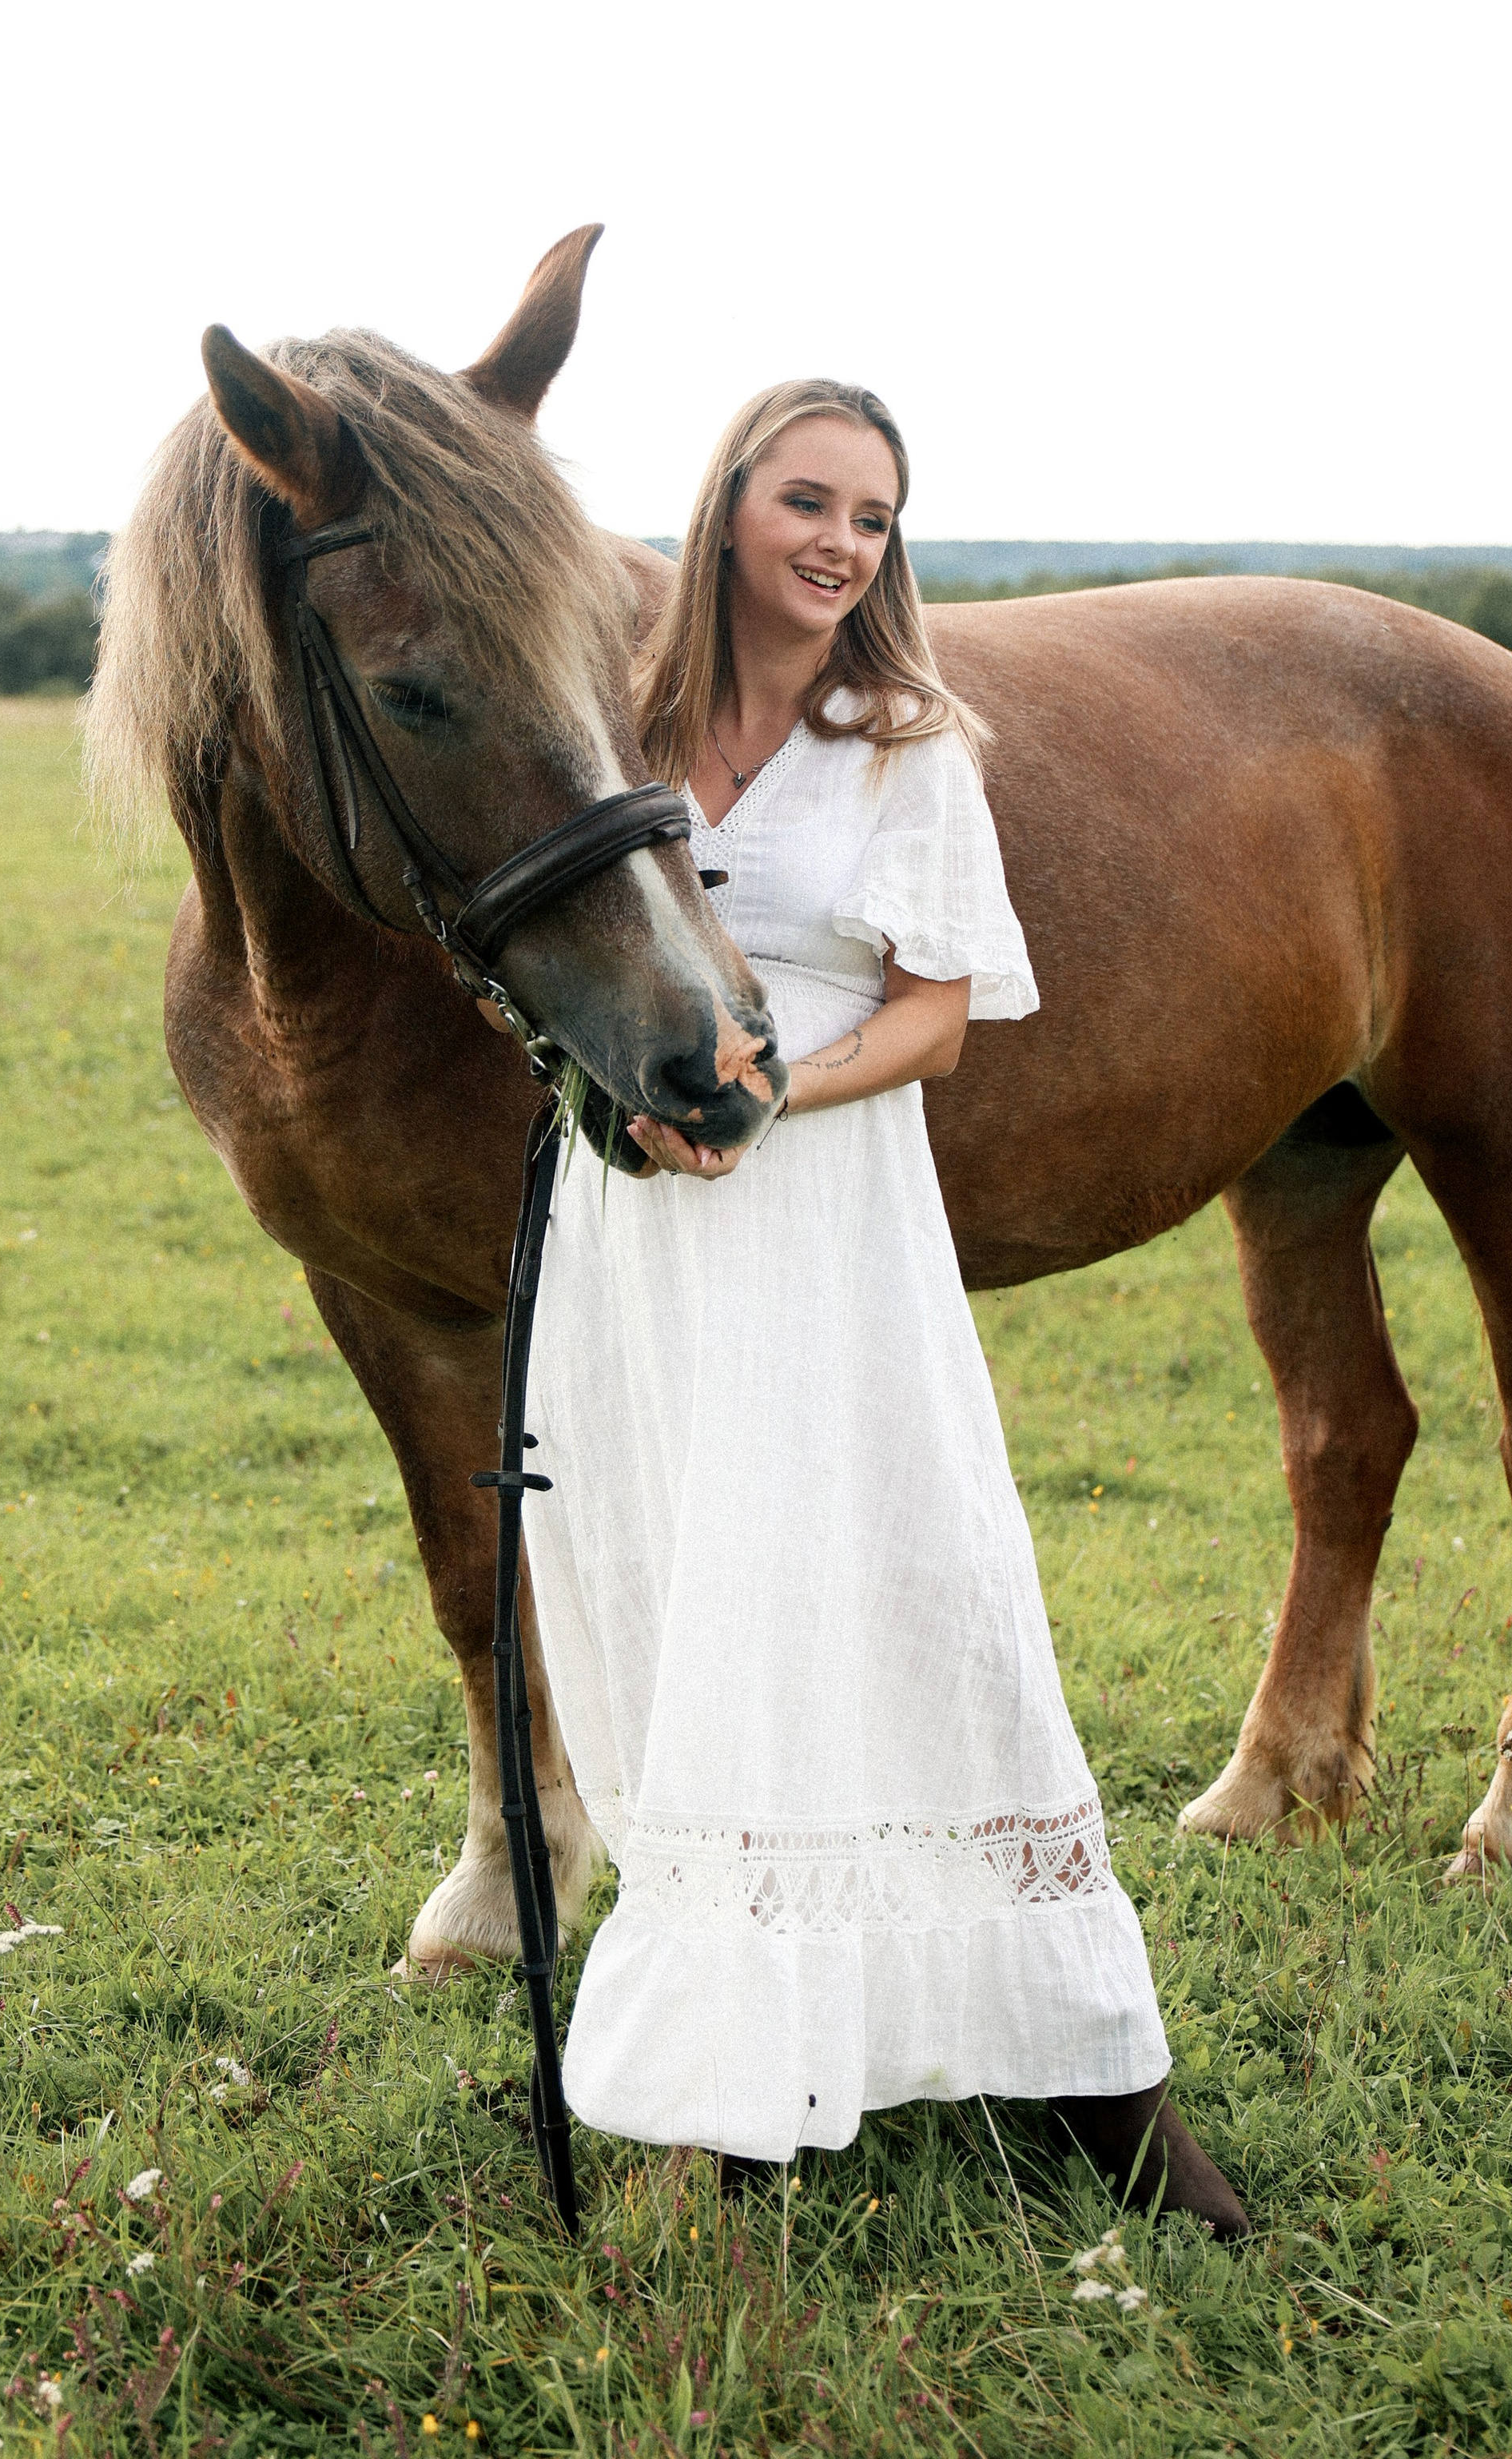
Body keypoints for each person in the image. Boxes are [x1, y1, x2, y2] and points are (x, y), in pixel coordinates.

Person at [523, 378, 1247, 2234]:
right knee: (685, 1591)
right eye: (809, 502)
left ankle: (1074, 2053)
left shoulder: (908, 742)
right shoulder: (615, 726)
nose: (842, 543)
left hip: (825, 1212)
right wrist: (613, 1087)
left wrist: (770, 1096)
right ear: (729, 511)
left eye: (872, 516)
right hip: (640, 1226)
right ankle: (736, 2068)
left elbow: (934, 1012)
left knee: (910, 1577)